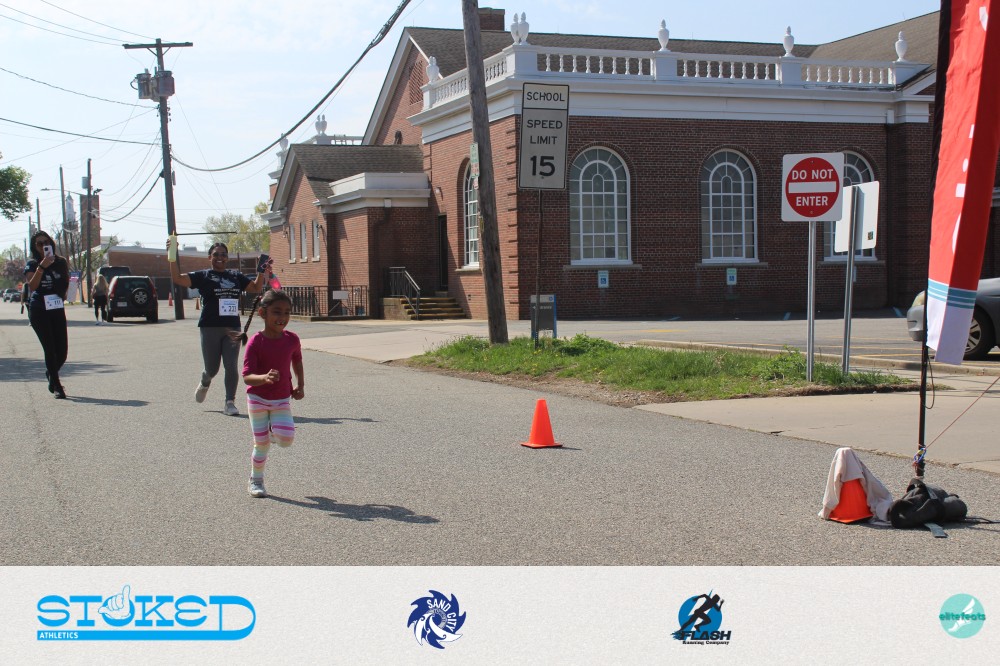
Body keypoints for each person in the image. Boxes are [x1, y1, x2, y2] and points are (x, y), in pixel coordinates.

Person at [167, 239, 268, 416]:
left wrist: (261, 269)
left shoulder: (235, 276)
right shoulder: (203, 276)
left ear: (227, 258)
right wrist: (172, 256)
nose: (220, 257)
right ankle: (205, 381)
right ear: (209, 257)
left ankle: (230, 402)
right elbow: (177, 278)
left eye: (223, 254)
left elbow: (256, 287)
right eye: (216, 254)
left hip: (232, 327)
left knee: (231, 365)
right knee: (212, 368)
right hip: (210, 327)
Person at [240, 290, 304, 498]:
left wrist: (300, 385)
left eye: (287, 312)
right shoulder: (256, 342)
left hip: (281, 398)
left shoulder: (292, 339)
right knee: (261, 445)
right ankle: (256, 480)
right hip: (257, 399)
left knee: (286, 440)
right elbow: (247, 377)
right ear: (262, 313)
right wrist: (264, 378)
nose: (282, 317)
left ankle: (271, 432)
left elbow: (297, 361)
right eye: (277, 312)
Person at [24, 230, 70, 399]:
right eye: (40, 244)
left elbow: (65, 282)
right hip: (39, 309)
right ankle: (57, 385)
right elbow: (33, 286)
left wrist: (67, 292)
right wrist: (42, 266)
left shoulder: (60, 262)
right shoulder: (32, 264)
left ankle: (51, 373)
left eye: (47, 242)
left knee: (62, 351)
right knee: (49, 348)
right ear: (34, 247)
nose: (44, 245)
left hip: (56, 307)